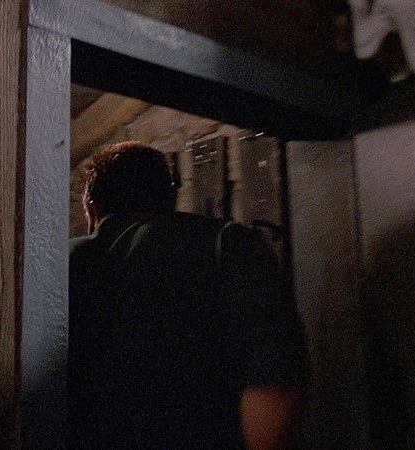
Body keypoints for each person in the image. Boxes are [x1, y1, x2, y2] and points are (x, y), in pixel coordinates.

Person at [69, 141, 310, 449]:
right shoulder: (229, 244)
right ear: (168, 198)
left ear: (92, 209)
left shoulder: (59, 265)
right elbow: (274, 384)